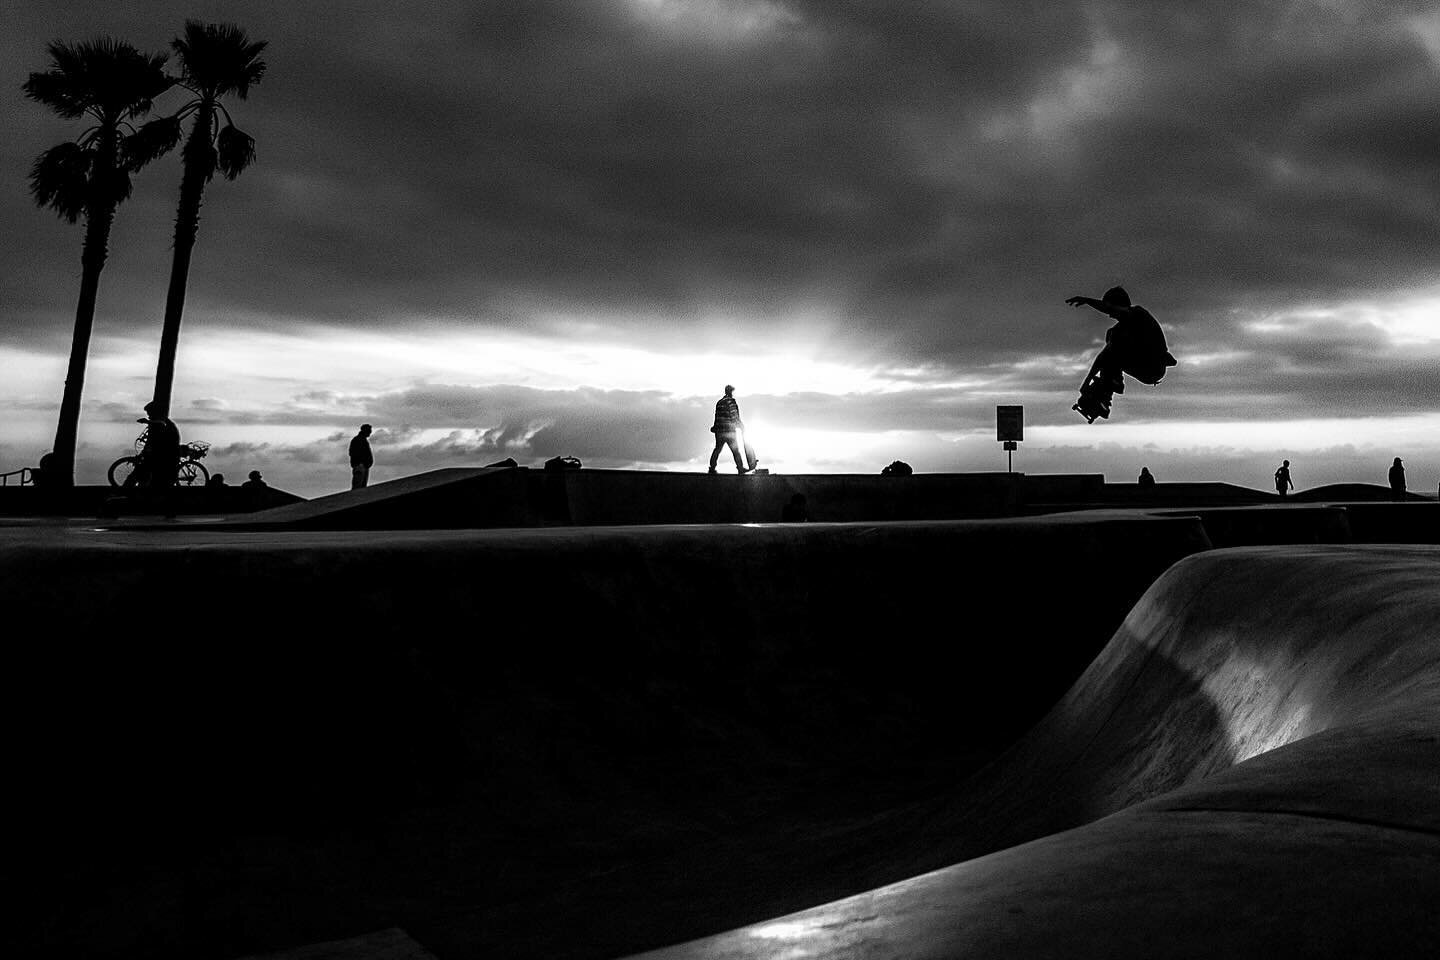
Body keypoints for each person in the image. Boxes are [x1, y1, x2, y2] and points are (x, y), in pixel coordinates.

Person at [1066, 286, 1177, 422]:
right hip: (1144, 366)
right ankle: (1106, 392)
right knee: (1112, 339)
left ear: (1118, 305)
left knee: (1115, 339)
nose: (1110, 315)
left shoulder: (1138, 314)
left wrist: (1087, 300)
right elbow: (1103, 356)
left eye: (1111, 310)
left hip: (1153, 366)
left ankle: (1110, 386)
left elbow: (1112, 310)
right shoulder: (1120, 328)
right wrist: (1087, 382)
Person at [708, 385, 756, 474]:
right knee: (735, 450)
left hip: (719, 431)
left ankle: (712, 468)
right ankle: (740, 468)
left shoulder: (719, 402)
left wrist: (715, 428)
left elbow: (716, 417)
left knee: (717, 449)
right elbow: (734, 415)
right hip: (729, 431)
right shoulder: (731, 401)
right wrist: (741, 426)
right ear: (730, 392)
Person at [138, 401, 181, 489]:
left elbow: (160, 424)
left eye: (149, 413)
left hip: (170, 449)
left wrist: (147, 422)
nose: (149, 416)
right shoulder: (159, 421)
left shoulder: (162, 421)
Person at [349, 423, 374, 489]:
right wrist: (360, 463)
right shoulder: (357, 440)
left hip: (364, 466)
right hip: (360, 466)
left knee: (362, 488)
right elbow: (353, 453)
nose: (370, 433)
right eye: (369, 431)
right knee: (358, 487)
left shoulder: (362, 440)